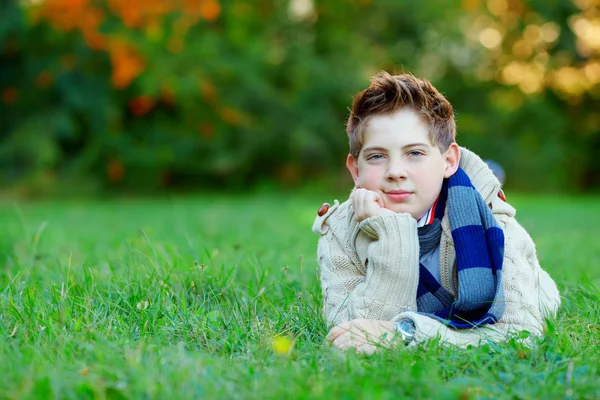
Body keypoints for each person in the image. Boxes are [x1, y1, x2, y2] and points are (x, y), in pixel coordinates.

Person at [312, 72, 560, 354]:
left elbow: (521, 335)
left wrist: (405, 335)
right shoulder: (340, 230)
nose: (395, 172)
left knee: (540, 295)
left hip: (537, 291)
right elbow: (350, 332)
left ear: (448, 161)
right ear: (356, 170)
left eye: (414, 153)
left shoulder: (492, 220)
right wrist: (392, 239)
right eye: (377, 156)